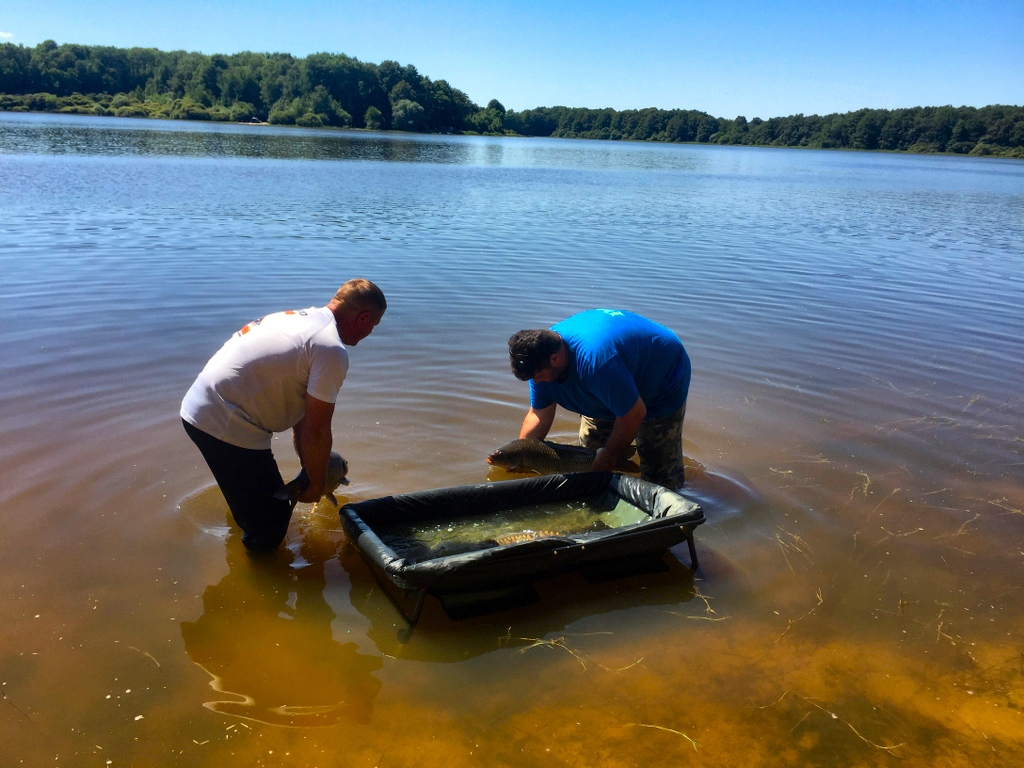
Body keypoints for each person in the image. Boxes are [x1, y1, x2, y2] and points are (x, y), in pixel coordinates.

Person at [181, 279, 386, 552]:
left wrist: (311, 472)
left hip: (201, 406)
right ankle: (260, 574)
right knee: (271, 525)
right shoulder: (331, 350)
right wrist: (314, 484)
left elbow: (303, 420)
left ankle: (245, 514)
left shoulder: (299, 321)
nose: (369, 333)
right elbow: (317, 429)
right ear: (363, 318)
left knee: (255, 499)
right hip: (226, 422)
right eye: (373, 326)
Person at [507, 309, 690, 488]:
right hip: (610, 379)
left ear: (555, 359)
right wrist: (522, 454)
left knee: (658, 472)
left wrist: (610, 454)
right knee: (588, 459)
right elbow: (539, 414)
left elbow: (634, 413)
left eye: (538, 376)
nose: (536, 382)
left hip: (662, 376)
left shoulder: (595, 363)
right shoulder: (539, 362)